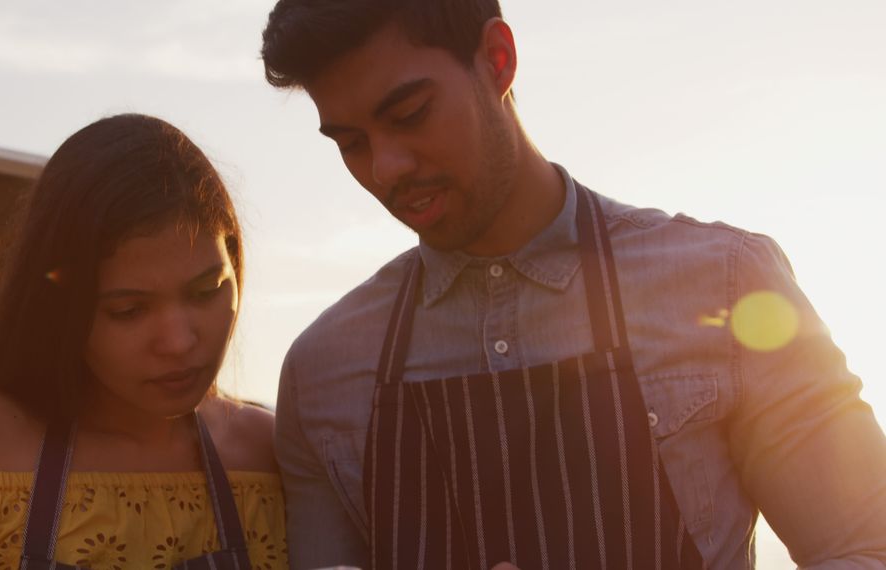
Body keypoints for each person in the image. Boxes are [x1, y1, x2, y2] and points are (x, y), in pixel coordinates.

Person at [260, 1, 886, 568]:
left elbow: (864, 547)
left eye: (410, 114)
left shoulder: (728, 284)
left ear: (498, 60)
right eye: (351, 143)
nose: (385, 167)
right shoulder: (321, 373)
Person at [0, 114, 288, 569]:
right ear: (60, 308)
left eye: (206, 291)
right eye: (127, 311)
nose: (178, 341)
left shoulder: (265, 456)